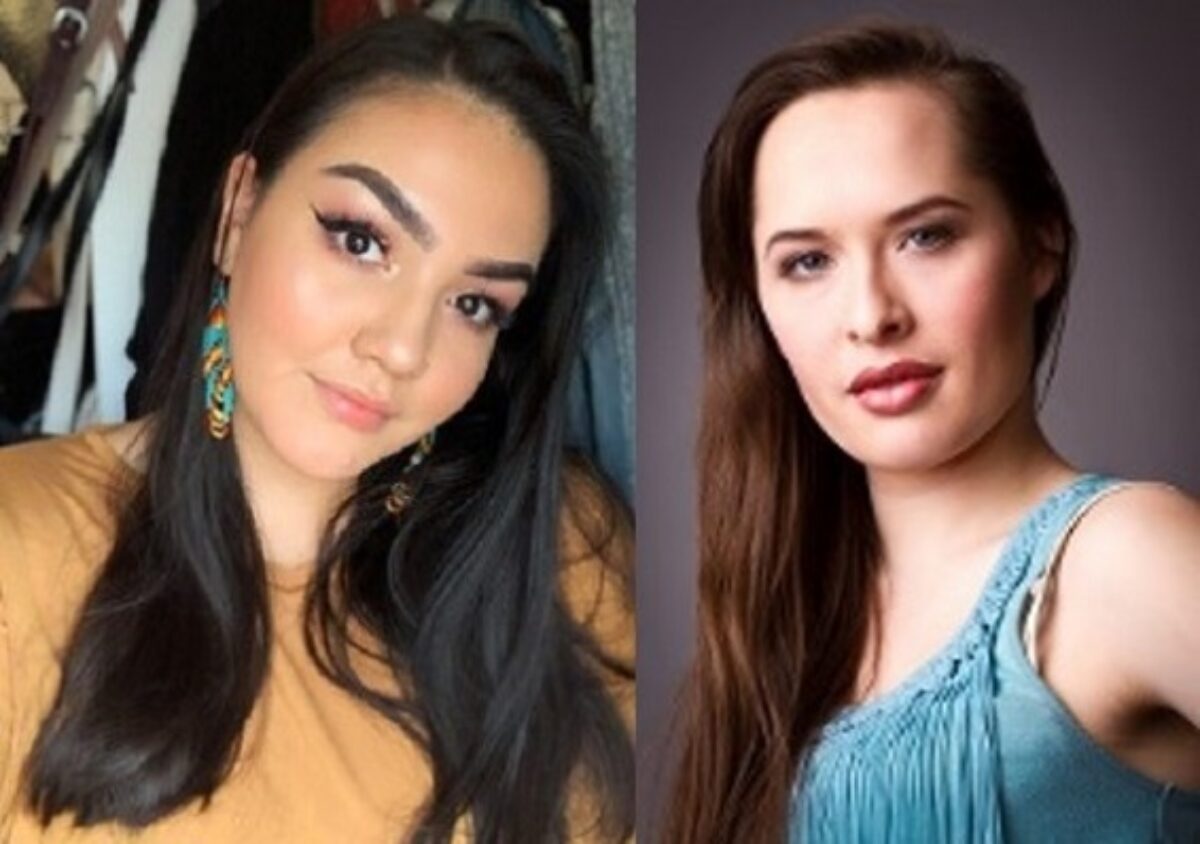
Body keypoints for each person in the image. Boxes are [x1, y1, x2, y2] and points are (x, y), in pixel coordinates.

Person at [0, 14, 633, 843]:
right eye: (362, 241)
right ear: (237, 212)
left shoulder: (564, 551)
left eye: (474, 304)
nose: (401, 348)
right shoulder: (21, 548)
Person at [665, 22, 1200, 843]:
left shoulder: (1125, 557)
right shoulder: (783, 618)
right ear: (759, 304)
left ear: (1039, 244)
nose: (873, 315)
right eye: (808, 261)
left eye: (926, 236)